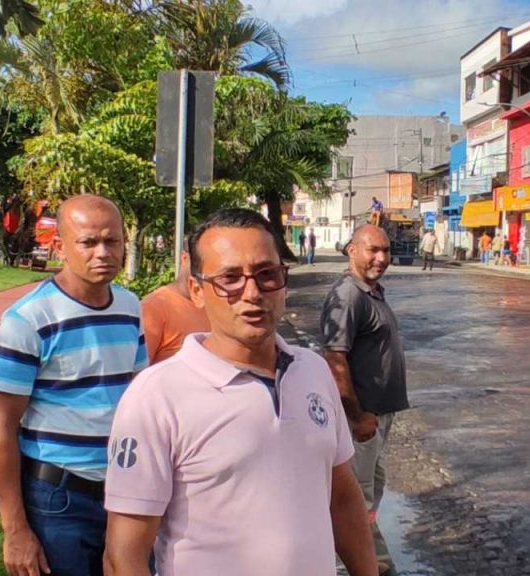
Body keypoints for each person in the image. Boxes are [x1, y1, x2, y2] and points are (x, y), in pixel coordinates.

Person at [103, 209, 376, 576]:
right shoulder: (156, 397)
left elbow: (342, 498)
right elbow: (124, 556)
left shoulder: (312, 372)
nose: (251, 293)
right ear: (198, 291)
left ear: (284, 282)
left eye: (267, 275)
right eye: (229, 278)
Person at [0, 194, 148, 576]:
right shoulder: (28, 320)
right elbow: (1, 427)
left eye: (112, 241)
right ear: (59, 247)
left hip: (125, 490)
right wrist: (15, 529)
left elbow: (141, 397)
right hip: (57, 500)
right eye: (89, 242)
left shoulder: (129, 306)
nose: (103, 252)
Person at [320, 225, 410, 576]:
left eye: (386, 251)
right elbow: (334, 357)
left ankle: (373, 561)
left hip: (376, 418)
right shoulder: (348, 294)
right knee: (354, 500)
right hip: (362, 421)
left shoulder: (370, 292)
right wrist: (356, 418)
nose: (382, 258)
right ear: (351, 250)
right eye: (373, 250)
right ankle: (352, 566)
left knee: (369, 493)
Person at [140, 244, 211, 365]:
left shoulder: (218, 304)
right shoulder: (154, 307)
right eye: (199, 259)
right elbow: (137, 372)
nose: (204, 267)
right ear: (184, 258)